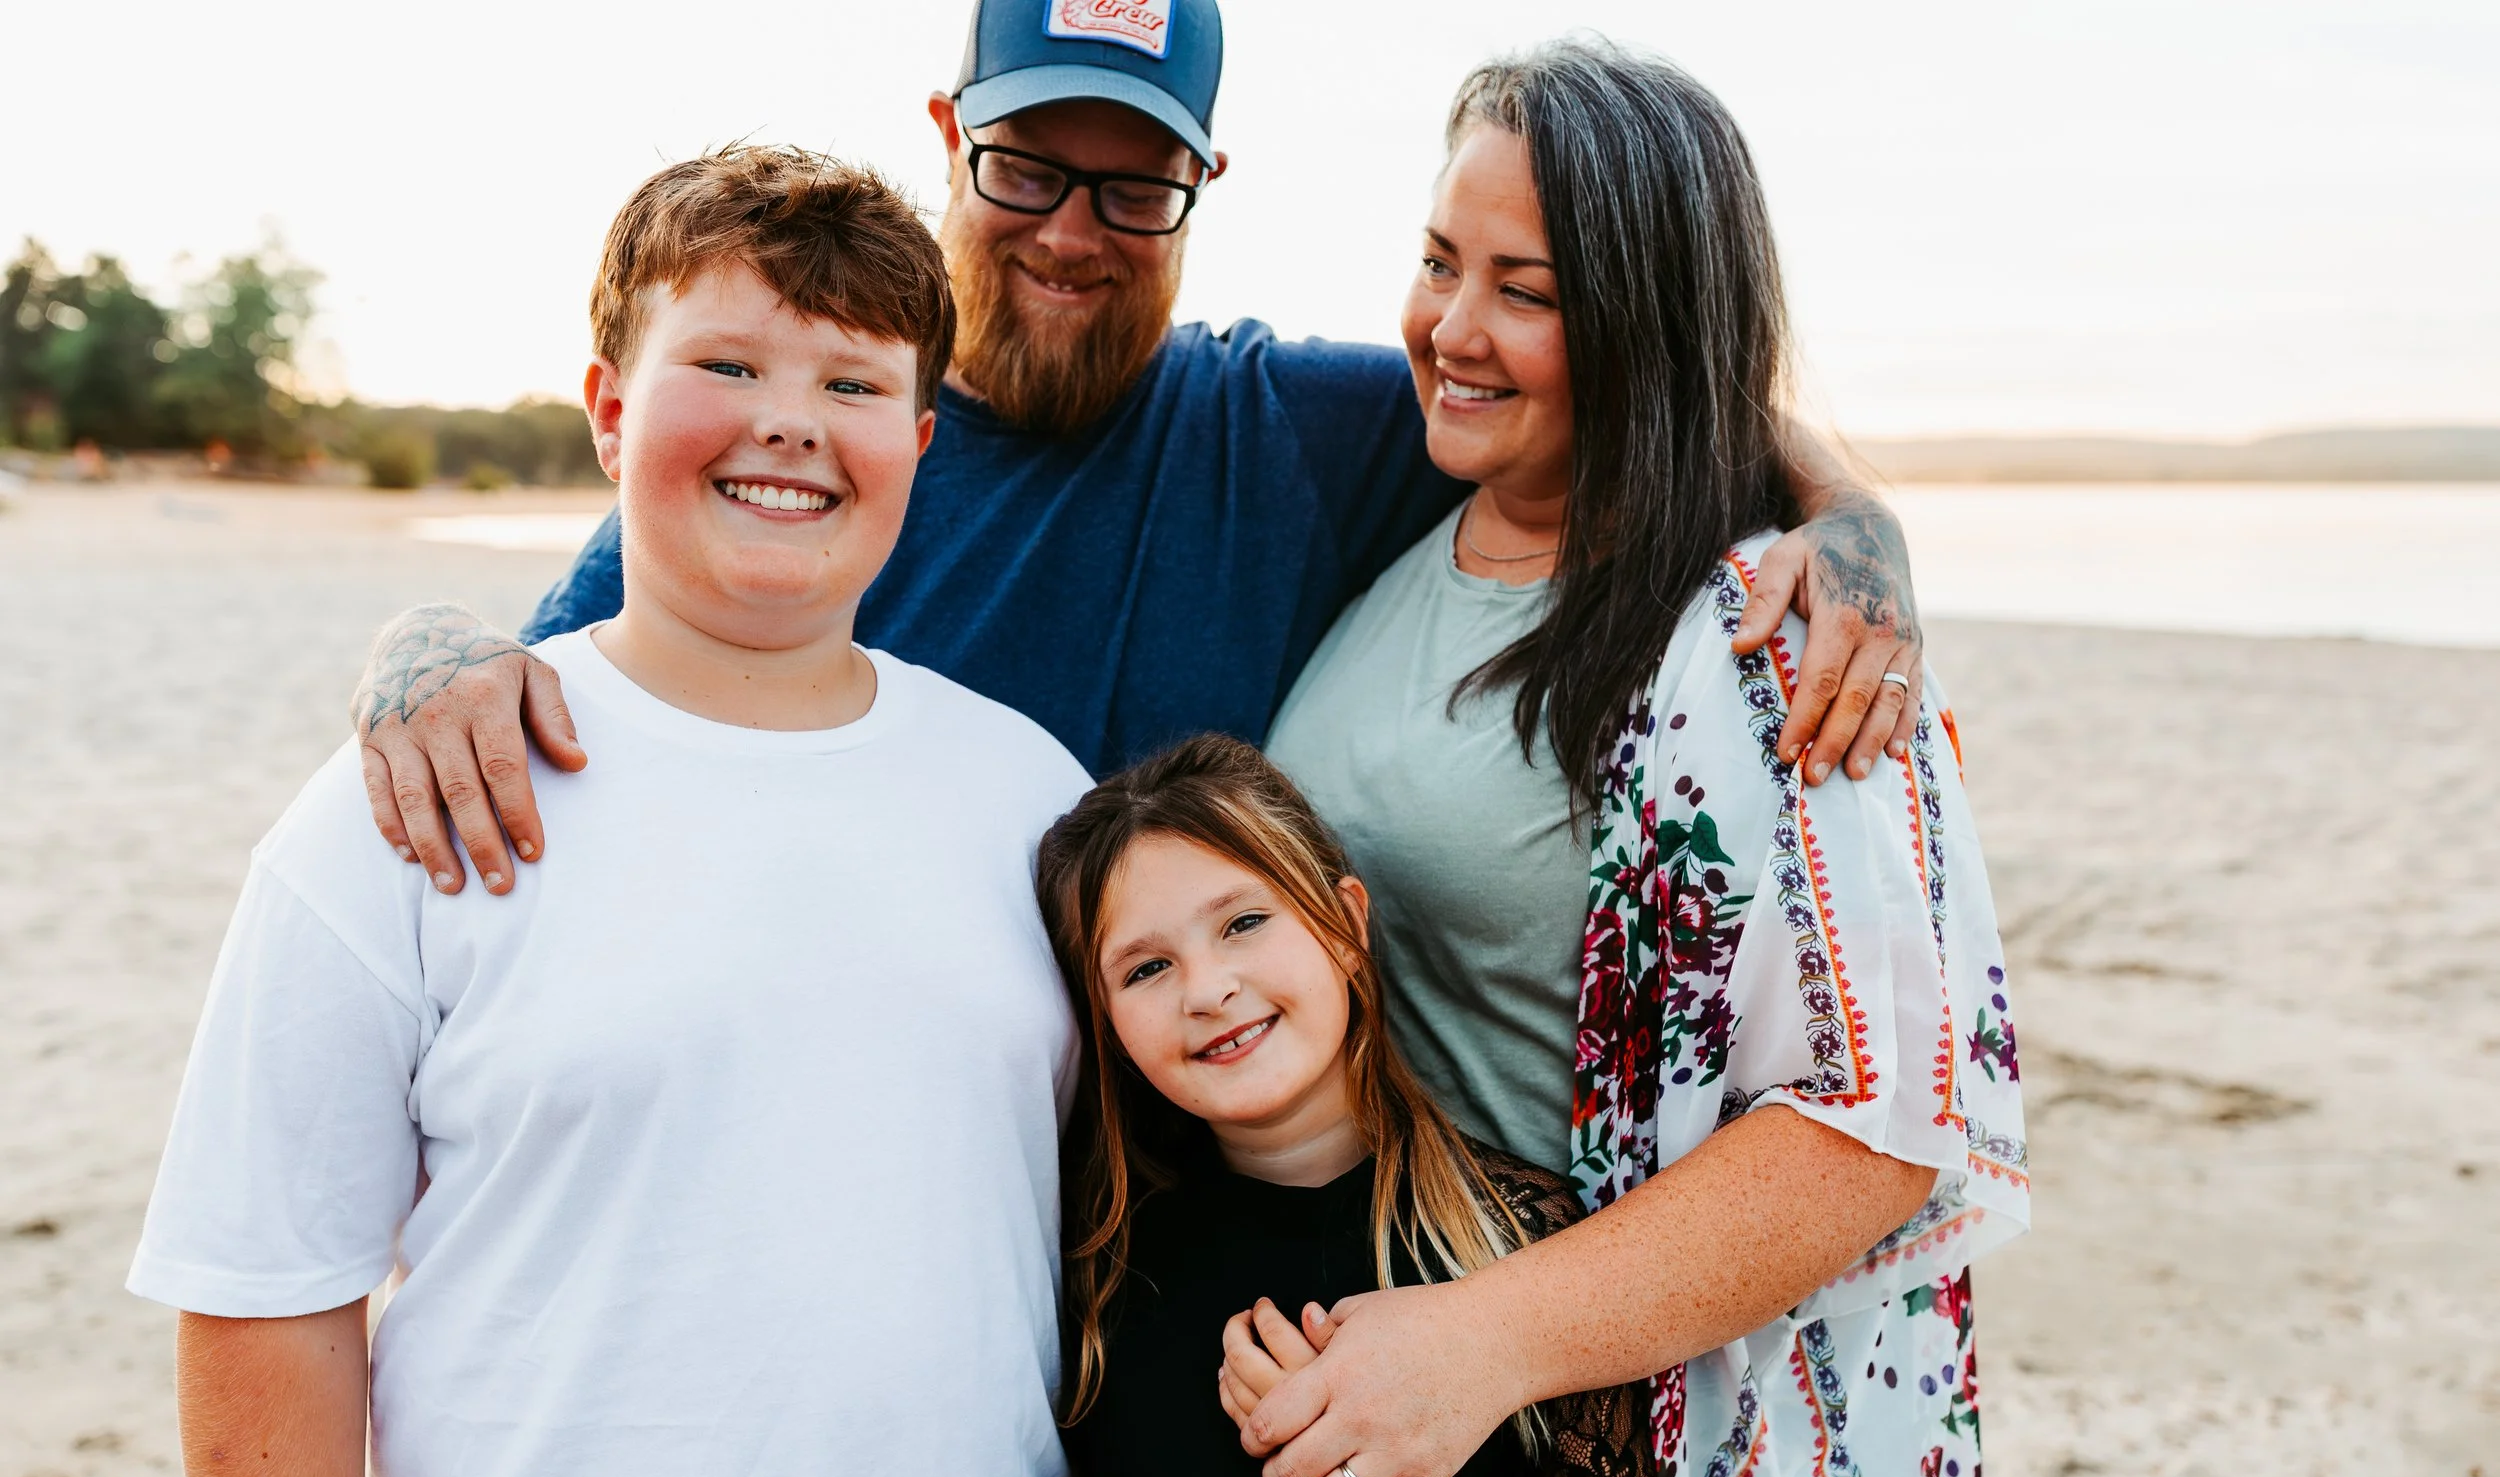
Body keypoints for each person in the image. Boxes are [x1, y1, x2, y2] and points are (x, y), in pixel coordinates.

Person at [127, 149, 1094, 1477]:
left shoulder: (1032, 797)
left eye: (851, 384)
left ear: (919, 442)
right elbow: (265, 1297)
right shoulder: (414, 806)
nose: (788, 418)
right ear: (607, 407)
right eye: (726, 361)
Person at [345, 0, 1925, 902]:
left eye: (1135, 188)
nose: (1074, 235)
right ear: (951, 134)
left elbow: (1637, 378)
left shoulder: (1293, 430)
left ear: (1203, 182)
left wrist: (1857, 528)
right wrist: (425, 644)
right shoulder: (822, 470)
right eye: (1030, 169)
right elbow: (557, 674)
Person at [1230, 42, 2030, 1477]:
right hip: (1457, 1433)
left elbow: (1874, 1122)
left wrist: (1476, 1343)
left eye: (1524, 287)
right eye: (1440, 260)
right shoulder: (1409, 510)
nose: (1451, 328)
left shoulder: (1765, 637)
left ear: (1642, 324)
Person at [1034, 734, 1667, 1477]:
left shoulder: (1515, 1231)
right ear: (1105, 1020)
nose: (1208, 988)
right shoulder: (1097, 1266)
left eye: (1243, 922)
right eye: (1144, 968)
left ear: (1342, 924)